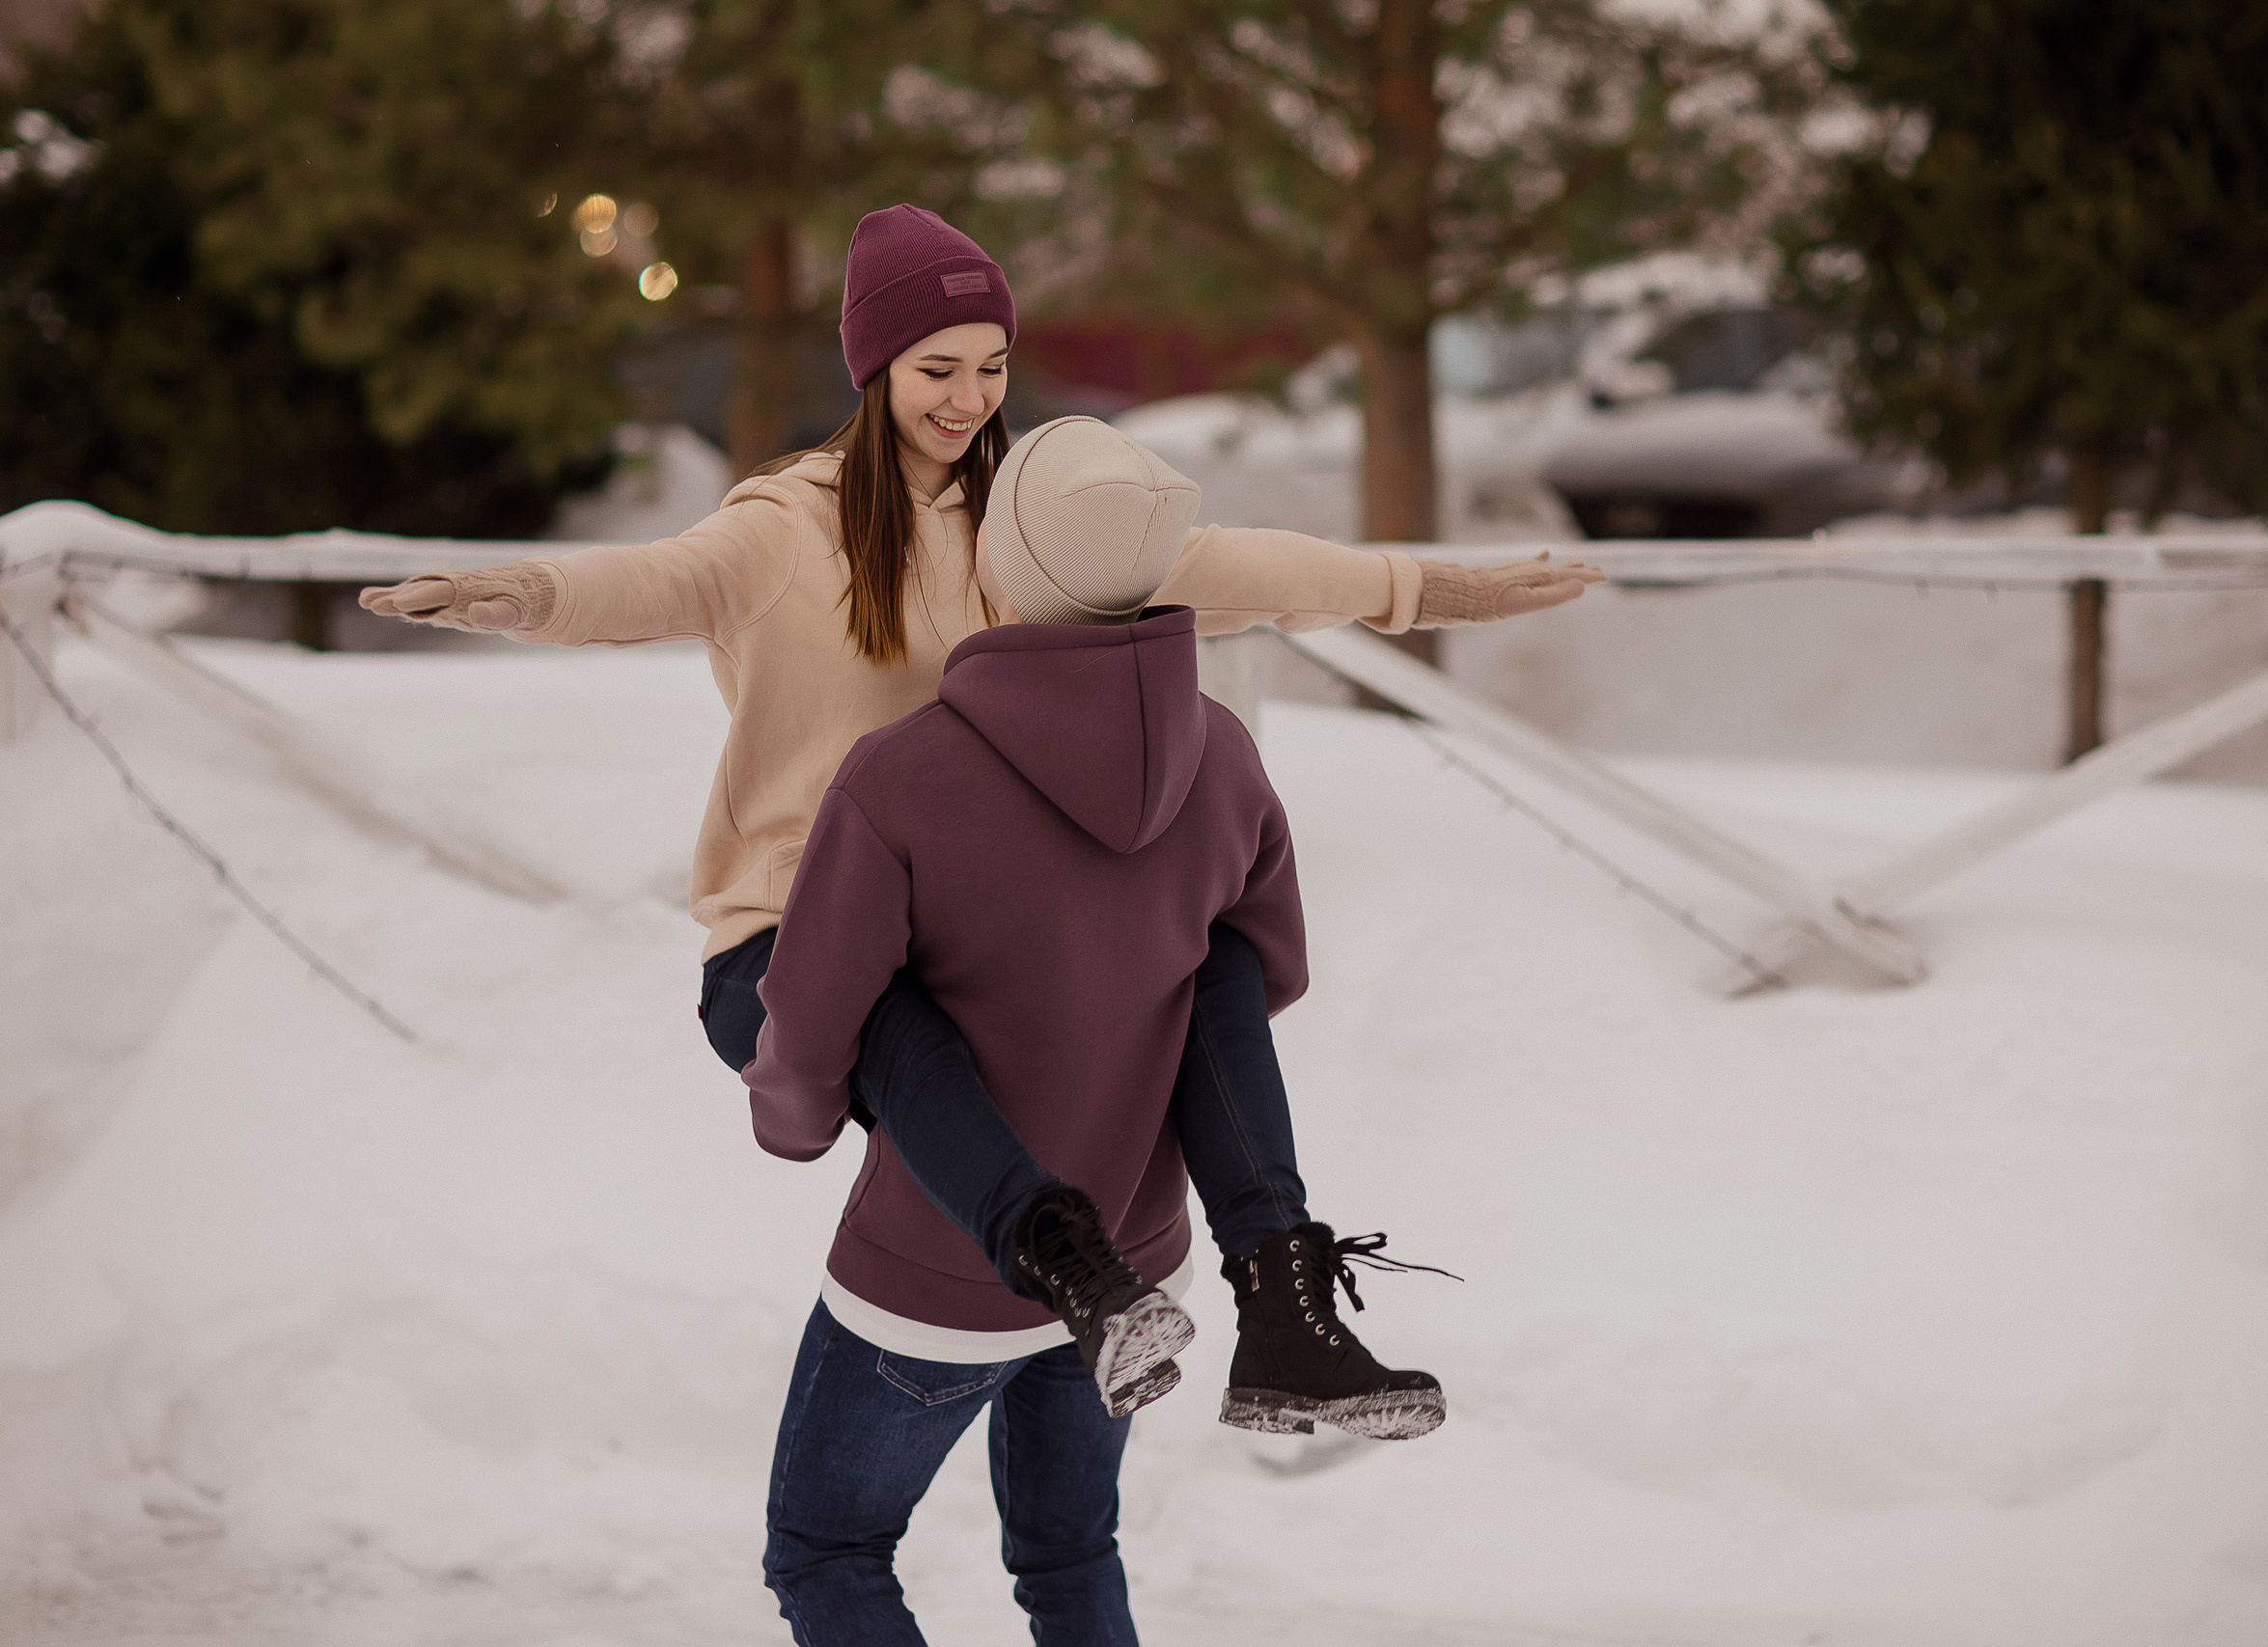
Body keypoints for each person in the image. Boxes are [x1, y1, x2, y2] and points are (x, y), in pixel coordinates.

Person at [355, 203, 1601, 1423]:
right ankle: (1074, 1267)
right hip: (796, 931)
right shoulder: (789, 526)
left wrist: (1446, 587)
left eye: (993, 367)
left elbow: (1242, 564)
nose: (968, 396)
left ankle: (1281, 1297)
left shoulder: (1029, 525)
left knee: (1209, 958)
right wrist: (512, 589)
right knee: (882, 1007)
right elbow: (655, 579)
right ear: (873, 367)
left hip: (991, 933)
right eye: (936, 367)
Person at [746, 416, 1381, 1641]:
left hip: (937, 1269)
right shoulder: (1227, 758)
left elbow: (816, 1016)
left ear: (1000, 560)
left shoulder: (900, 777)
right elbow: (1264, 975)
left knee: (826, 1550)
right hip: (1138, 1256)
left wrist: (791, 1122)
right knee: (1068, 1549)